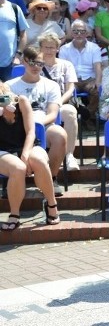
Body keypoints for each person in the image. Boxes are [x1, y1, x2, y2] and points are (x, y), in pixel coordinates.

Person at [8, 46, 67, 196]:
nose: (35, 67)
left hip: (43, 125)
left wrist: (37, 125)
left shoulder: (51, 85)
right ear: (23, 62)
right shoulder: (10, 86)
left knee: (60, 134)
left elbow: (53, 114)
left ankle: (51, 178)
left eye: (40, 63)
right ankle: (10, 180)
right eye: (31, 62)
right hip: (17, 128)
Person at [0, 83, 60, 230]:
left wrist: (25, 155)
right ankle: (14, 214)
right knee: (18, 168)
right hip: (3, 150)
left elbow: (31, 132)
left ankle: (52, 204)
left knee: (38, 160)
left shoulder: (21, 101)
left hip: (28, 144)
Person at [38, 32, 80, 170]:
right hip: (39, 106)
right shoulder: (35, 65)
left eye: (52, 47)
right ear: (40, 48)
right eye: (46, 47)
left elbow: (70, 89)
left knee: (70, 111)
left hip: (61, 103)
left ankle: (69, 156)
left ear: (57, 49)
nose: (49, 51)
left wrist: (58, 102)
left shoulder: (66, 65)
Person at [58, 20, 103, 128]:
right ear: (71, 33)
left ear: (87, 33)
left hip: (89, 79)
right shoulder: (64, 49)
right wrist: (64, 83)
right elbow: (62, 68)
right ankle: (72, 118)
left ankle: (87, 117)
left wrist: (98, 81)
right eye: (76, 31)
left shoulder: (94, 48)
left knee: (97, 91)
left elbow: (97, 66)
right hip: (72, 79)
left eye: (82, 31)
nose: (79, 34)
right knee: (66, 93)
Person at [0, 0, 28, 82]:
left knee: (8, 94)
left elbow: (23, 34)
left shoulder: (14, 8)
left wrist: (18, 54)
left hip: (9, 63)